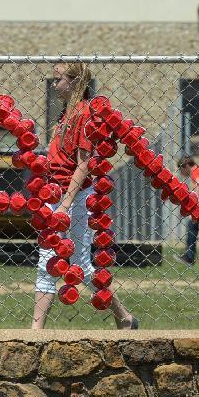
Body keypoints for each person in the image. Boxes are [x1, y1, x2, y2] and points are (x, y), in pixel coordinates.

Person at [32, 62, 139, 330]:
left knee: (81, 265)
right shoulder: (65, 114)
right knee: (46, 261)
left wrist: (66, 204)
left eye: (58, 79)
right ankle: (35, 332)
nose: (54, 84)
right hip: (55, 192)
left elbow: (84, 164)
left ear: (74, 82)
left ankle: (124, 317)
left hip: (74, 196)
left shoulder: (84, 115)